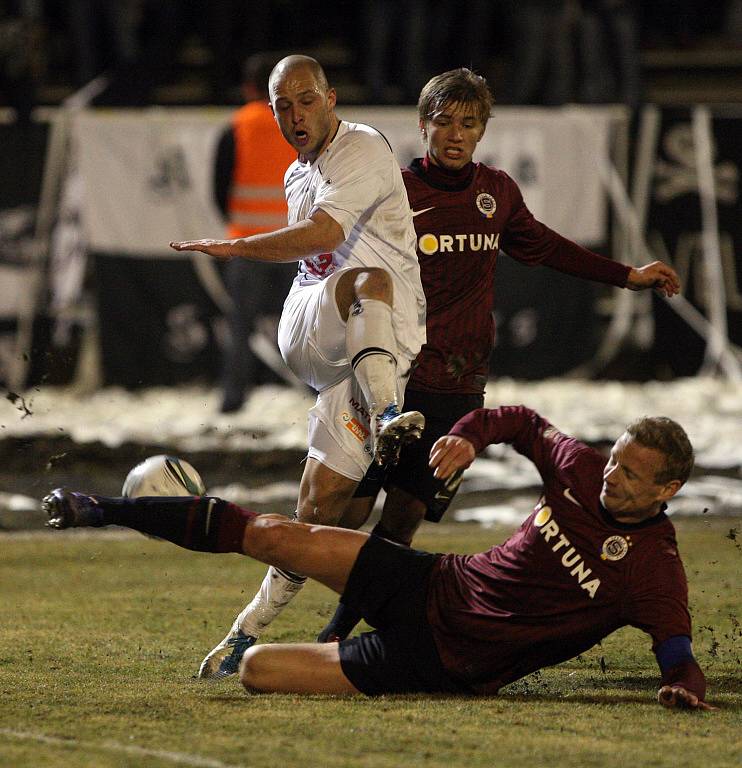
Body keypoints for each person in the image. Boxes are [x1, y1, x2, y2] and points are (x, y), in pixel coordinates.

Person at [317, 67, 681, 642]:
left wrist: (627, 275)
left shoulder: (497, 193)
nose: (455, 134)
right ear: (422, 126)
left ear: (483, 130)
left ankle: (335, 634)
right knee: (348, 514)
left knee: (404, 520)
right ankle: (297, 604)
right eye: (443, 122)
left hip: (459, 389)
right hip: (395, 382)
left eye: (468, 123)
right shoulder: (395, 192)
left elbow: (543, 247)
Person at [43, 405, 715, 710]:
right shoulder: (581, 468)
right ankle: (100, 508)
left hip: (447, 662)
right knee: (278, 534)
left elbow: (678, 652)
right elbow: (520, 421)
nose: (611, 477)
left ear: (668, 490)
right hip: (434, 580)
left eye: (630, 475)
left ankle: (339, 634)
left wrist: (683, 687)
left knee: (258, 671)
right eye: (616, 461)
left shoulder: (653, 568)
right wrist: (467, 436)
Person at [169, 55, 427, 678]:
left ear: (331, 98)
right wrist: (236, 248)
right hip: (318, 319)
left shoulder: (361, 146)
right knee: (365, 279)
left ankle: (244, 631)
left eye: (304, 101)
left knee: (319, 510)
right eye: (281, 105)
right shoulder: (297, 173)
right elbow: (320, 239)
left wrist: (237, 247)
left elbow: (323, 231)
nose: (292, 115)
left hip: (361, 353)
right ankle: (389, 411)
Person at [213, 53, 297, 413]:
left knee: (240, 325)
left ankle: (233, 398)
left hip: (246, 243)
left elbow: (219, 188)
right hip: (294, 243)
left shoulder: (235, 126)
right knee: (303, 324)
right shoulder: (297, 123)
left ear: (248, 87)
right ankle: (316, 393)